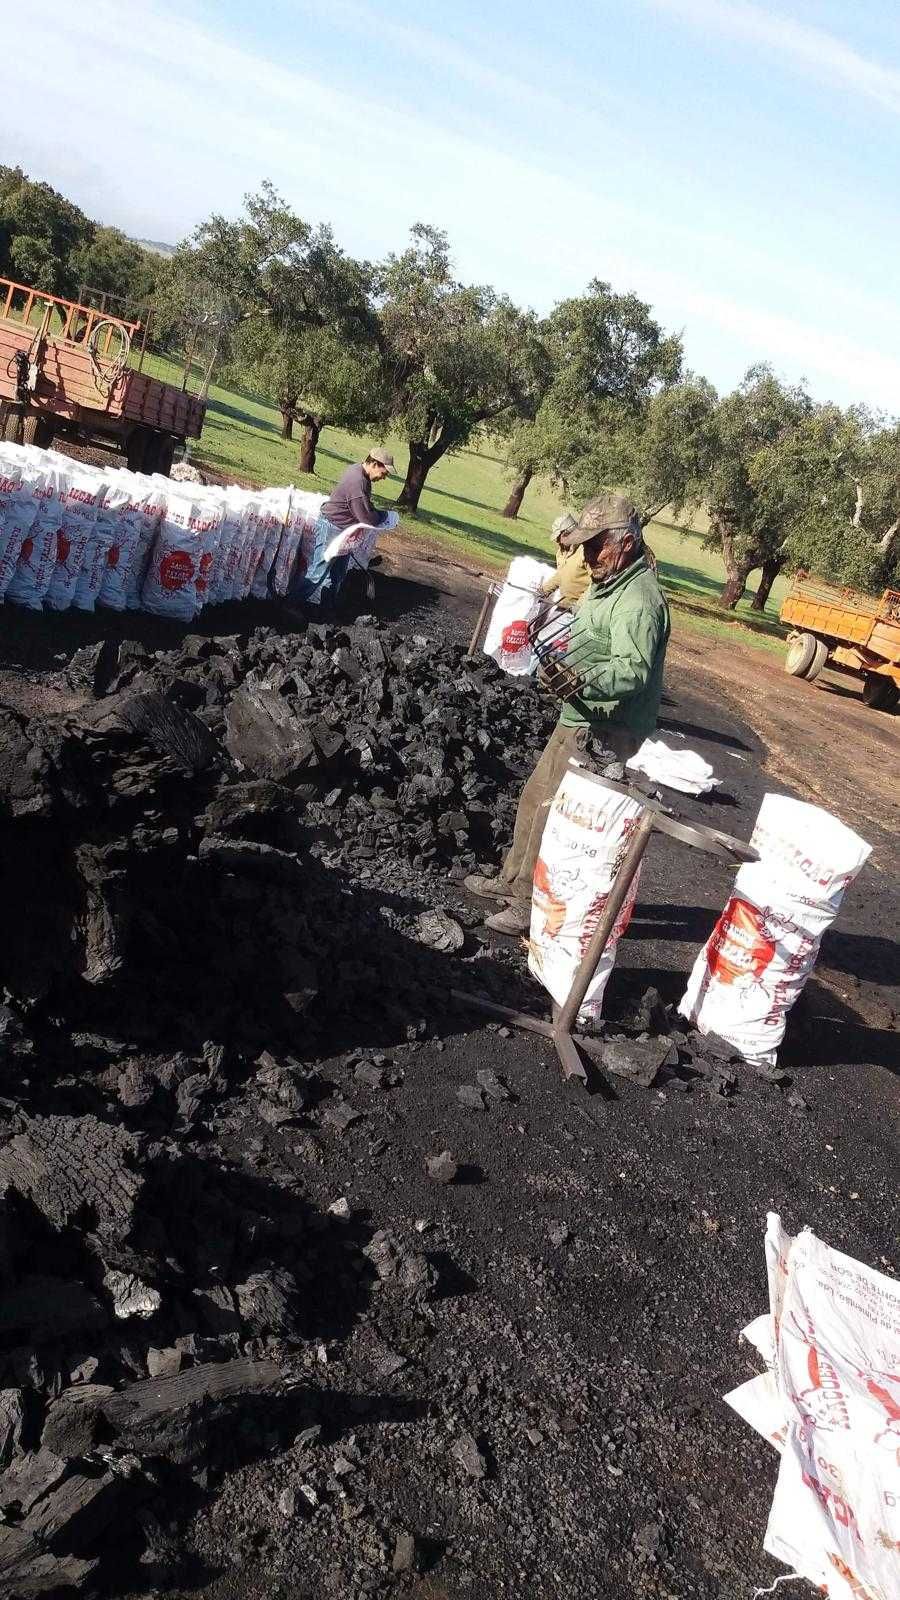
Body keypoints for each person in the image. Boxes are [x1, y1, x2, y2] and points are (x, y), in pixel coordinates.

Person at [465, 492, 670, 935]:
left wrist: (580, 681)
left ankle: (526, 904)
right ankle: (509, 880)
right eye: (586, 545)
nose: (588, 554)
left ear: (627, 544)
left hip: (606, 726)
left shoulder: (637, 600)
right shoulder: (606, 582)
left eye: (597, 545)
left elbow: (632, 670)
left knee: (552, 813)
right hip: (580, 712)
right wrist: (562, 670)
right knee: (533, 796)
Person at [319, 447, 397, 531]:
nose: (384, 478)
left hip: (333, 518)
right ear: (374, 464)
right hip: (333, 524)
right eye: (383, 473)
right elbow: (367, 519)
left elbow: (365, 505)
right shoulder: (359, 482)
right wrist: (383, 516)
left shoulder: (356, 468)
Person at [538, 511, 591, 611]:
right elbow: (561, 575)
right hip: (563, 605)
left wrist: (580, 605)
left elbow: (596, 583)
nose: (557, 541)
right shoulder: (561, 552)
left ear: (568, 533)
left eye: (559, 537)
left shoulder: (585, 551)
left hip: (580, 610)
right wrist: (544, 590)